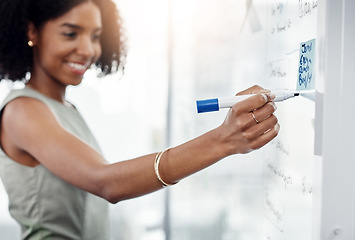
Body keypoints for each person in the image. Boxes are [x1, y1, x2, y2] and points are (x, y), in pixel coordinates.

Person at [0, 0, 279, 239]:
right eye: (71, 34)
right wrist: (222, 141)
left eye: (96, 36)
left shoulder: (64, 108)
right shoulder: (23, 110)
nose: (88, 50)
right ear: (32, 31)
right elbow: (106, 183)